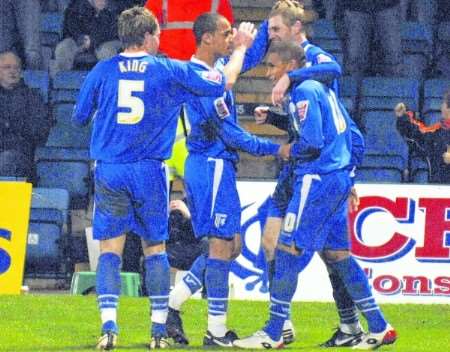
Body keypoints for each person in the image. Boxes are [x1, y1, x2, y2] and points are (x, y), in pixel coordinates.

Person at [71, 6, 242, 350]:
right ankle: (158, 331)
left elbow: (78, 117)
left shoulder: (103, 69)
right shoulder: (167, 69)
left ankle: (109, 327)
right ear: (148, 36)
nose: (160, 39)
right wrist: (239, 50)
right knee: (155, 249)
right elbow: (220, 81)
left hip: (111, 168)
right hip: (149, 170)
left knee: (110, 249)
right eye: (158, 34)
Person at [234, 41, 397, 350]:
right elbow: (320, 129)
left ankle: (273, 333)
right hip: (335, 177)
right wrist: (274, 118)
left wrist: (282, 150)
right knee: (338, 255)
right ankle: (379, 326)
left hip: (318, 178)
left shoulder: (305, 90)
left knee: (286, 249)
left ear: (290, 66)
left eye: (272, 66)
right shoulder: (316, 88)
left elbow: (312, 142)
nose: (268, 73)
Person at [166, 13, 289, 348]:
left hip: (218, 167)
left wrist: (270, 23)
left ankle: (171, 307)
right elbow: (231, 133)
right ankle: (215, 331)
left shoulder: (216, 69)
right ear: (207, 38)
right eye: (226, 33)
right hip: (210, 167)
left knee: (230, 247)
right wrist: (277, 149)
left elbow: (246, 56)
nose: (232, 38)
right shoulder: (198, 77)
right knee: (221, 246)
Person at [256, 1, 366, 347]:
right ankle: (282, 323)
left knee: (331, 254)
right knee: (272, 243)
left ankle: (351, 325)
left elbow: (334, 69)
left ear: (294, 29)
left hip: (323, 162)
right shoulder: (288, 71)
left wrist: (291, 74)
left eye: (275, 29)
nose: (269, 35)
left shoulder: (313, 58)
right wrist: (273, 119)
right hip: (300, 164)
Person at [0, 51, 51, 182]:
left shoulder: (33, 98)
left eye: (16, 67)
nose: (12, 71)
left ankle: (10, 203)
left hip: (20, 154)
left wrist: (10, 126)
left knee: (7, 160)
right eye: (7, 67)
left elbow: (39, 131)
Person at [144, 0, 234, 60]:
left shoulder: (219, 2)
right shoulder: (156, 1)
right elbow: (144, 35)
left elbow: (227, 38)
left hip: (203, 70)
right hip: (166, 70)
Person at [54, 0, 122, 75]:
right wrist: (80, 37)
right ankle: (62, 82)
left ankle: (110, 82)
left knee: (106, 51)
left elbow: (113, 30)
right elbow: (70, 25)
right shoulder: (77, 5)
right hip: (81, 39)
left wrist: (92, 40)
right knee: (63, 48)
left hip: (106, 40)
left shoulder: (114, 7)